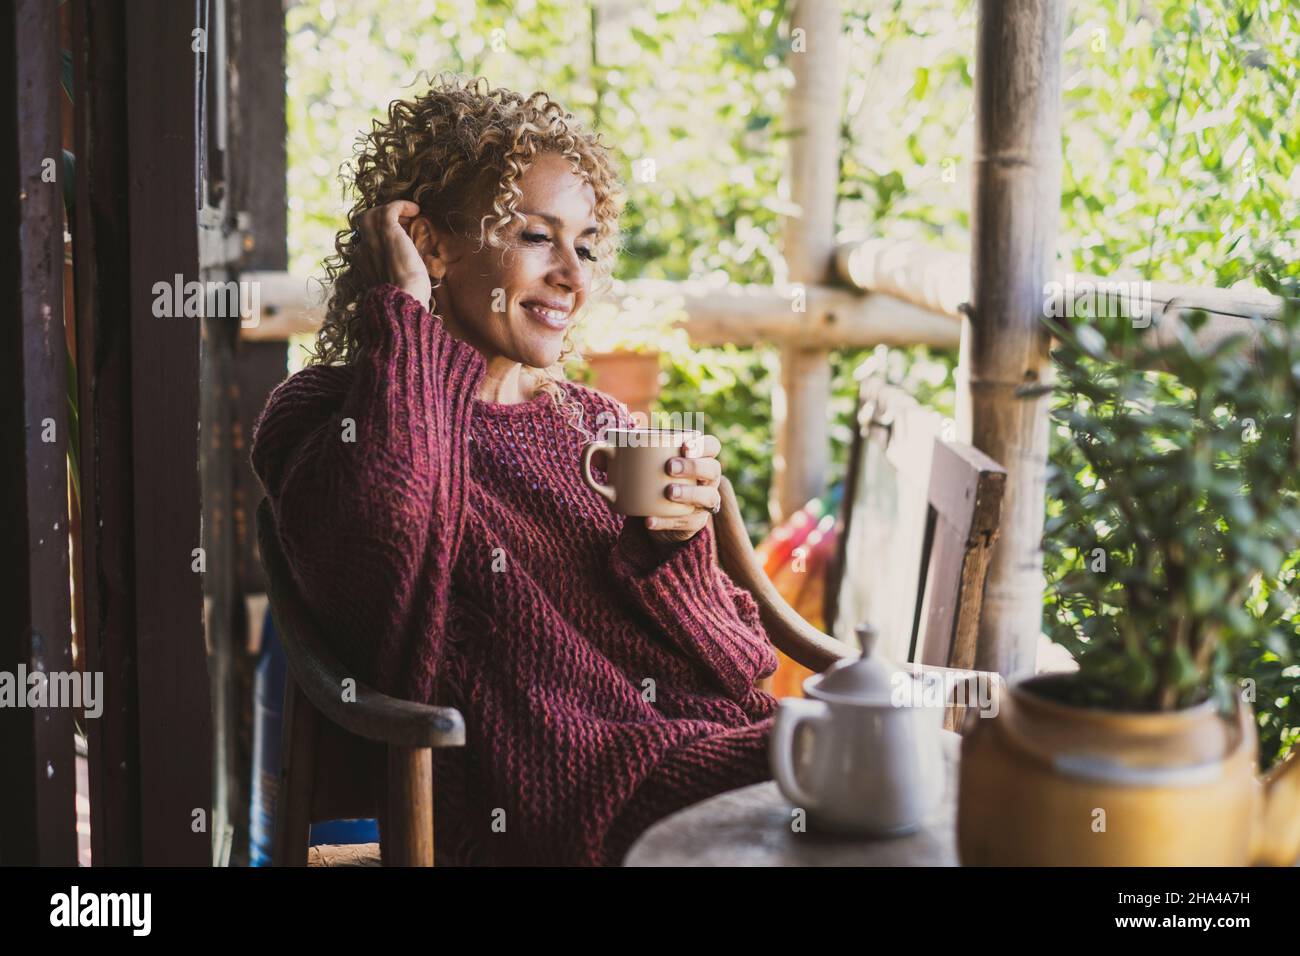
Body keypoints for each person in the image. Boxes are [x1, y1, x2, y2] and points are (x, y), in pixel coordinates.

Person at [251, 75, 779, 866]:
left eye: (587, 244)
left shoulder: (597, 424)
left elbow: (741, 667)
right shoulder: (324, 415)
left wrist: (676, 554)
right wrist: (405, 307)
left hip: (707, 751)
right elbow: (377, 559)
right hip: (554, 811)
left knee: (931, 771)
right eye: (537, 237)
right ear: (431, 245)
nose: (574, 273)